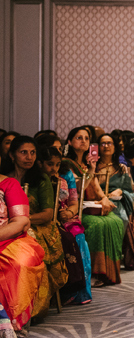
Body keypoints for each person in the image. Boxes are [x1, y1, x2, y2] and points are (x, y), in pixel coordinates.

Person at [0, 137, 68, 321]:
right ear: (12, 155)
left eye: (32, 153)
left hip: (40, 225)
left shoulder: (41, 179)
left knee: (30, 241)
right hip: (11, 225)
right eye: (23, 152)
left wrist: (20, 221)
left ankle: (35, 307)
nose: (29, 157)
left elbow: (47, 214)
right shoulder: (6, 176)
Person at [62, 127, 124, 286]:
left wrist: (104, 198)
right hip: (73, 206)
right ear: (69, 141)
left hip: (88, 205)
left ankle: (109, 273)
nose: (83, 141)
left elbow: (95, 186)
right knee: (97, 225)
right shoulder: (66, 164)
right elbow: (77, 190)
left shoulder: (85, 163)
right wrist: (90, 170)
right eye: (79, 138)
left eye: (86, 138)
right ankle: (94, 272)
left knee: (115, 221)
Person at [38, 146, 91, 305]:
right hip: (46, 218)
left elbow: (74, 202)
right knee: (65, 239)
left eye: (57, 164)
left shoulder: (64, 176)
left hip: (65, 215)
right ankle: (64, 289)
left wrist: (69, 213)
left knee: (78, 236)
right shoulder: (37, 179)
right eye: (50, 164)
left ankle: (79, 291)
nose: (54, 168)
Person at [95, 135, 134, 271]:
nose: (106, 146)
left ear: (115, 147)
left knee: (123, 218)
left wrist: (120, 191)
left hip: (118, 203)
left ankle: (116, 258)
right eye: (103, 143)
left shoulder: (121, 168)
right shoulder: (93, 166)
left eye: (109, 143)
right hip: (95, 201)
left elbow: (130, 191)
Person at [0, 172, 44, 334]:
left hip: (9, 237)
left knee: (19, 262)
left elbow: (21, 222)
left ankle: (12, 326)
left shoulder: (9, 184)